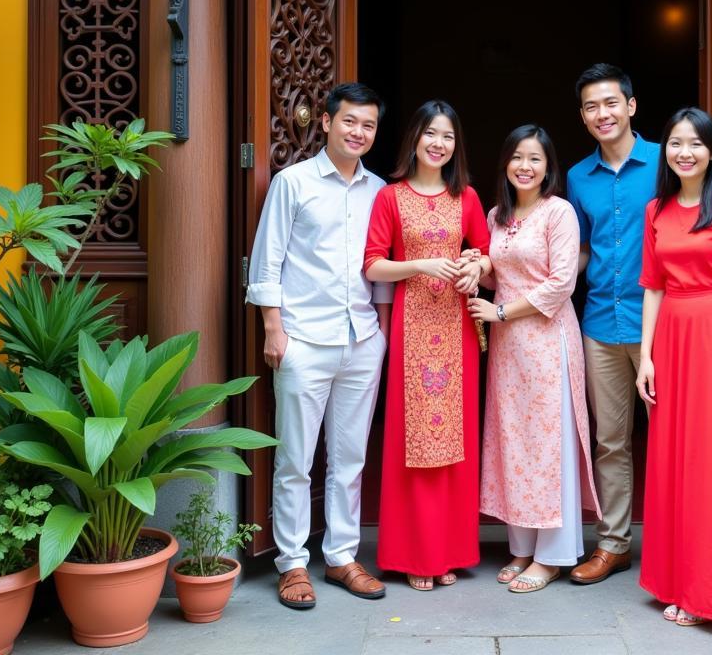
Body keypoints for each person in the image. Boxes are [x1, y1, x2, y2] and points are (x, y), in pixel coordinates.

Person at [566, 64, 712, 585]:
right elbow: (579, 252)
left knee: (680, 442)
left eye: (610, 103)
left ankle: (688, 552)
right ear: (582, 117)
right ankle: (614, 543)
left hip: (673, 328)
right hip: (603, 321)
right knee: (611, 440)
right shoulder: (579, 177)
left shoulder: (668, 159)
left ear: (630, 105)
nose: (602, 114)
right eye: (590, 107)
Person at [247, 81, 391, 610]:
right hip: (303, 338)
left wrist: (380, 333)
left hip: (361, 339)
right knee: (295, 460)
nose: (359, 132)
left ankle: (342, 556)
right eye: (350, 121)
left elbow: (380, 268)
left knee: (350, 458)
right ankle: (291, 563)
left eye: (369, 125)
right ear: (327, 122)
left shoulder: (379, 190)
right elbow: (269, 257)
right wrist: (272, 328)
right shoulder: (294, 182)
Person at [363, 99, 491, 591]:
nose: (439, 144)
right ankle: (415, 555)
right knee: (412, 444)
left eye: (448, 136)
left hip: (457, 329)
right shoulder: (391, 198)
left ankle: (449, 552)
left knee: (455, 443)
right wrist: (419, 266)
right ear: (415, 139)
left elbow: (488, 258)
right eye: (431, 134)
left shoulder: (469, 199)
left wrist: (472, 266)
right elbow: (373, 264)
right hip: (412, 329)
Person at [636, 106, 712, 626]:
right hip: (670, 342)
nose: (684, 152)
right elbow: (654, 287)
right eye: (675, 143)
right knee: (672, 465)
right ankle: (674, 580)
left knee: (711, 467)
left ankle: (711, 592)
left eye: (695, 144)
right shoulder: (656, 210)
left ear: (711, 152)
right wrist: (645, 358)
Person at [469, 126, 600, 594]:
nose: (525, 166)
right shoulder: (497, 215)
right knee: (514, 445)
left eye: (535, 159)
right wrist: (477, 266)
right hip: (508, 350)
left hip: (548, 342)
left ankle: (553, 555)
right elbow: (496, 276)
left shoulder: (558, 212)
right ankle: (522, 547)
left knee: (550, 447)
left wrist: (500, 310)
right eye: (517, 157)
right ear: (505, 162)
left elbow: (562, 282)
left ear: (549, 167)